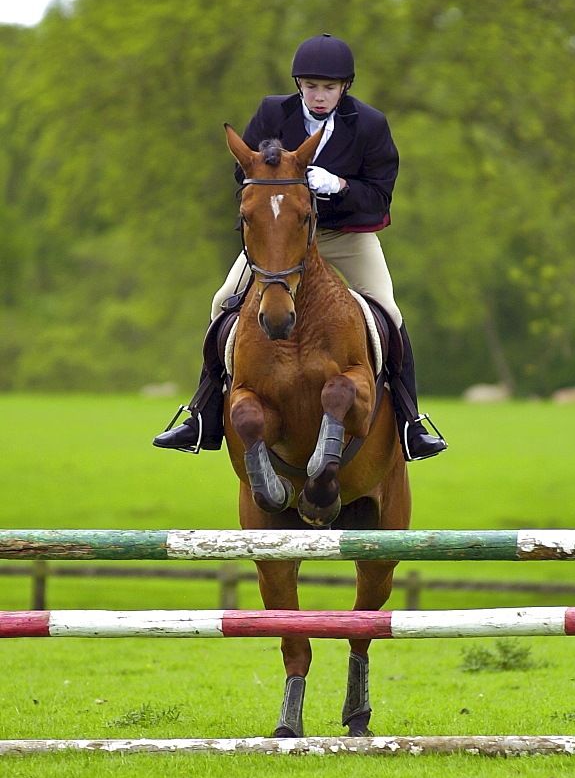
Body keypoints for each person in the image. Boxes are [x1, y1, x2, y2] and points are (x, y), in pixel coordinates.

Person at [153, 33, 447, 461]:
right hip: (283, 236)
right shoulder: (273, 112)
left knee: (389, 310)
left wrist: (340, 185)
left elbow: (380, 197)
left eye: (328, 87)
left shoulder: (369, 125)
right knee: (221, 303)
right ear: (298, 85)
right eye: (311, 86)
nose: (319, 95)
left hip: (345, 233)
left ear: (344, 87)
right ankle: (202, 414)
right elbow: (246, 176)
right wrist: (282, 177)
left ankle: (410, 422)